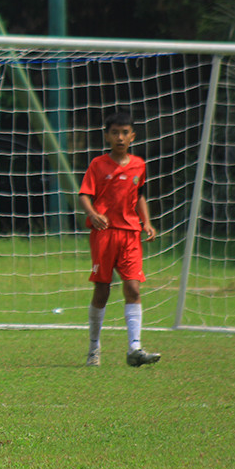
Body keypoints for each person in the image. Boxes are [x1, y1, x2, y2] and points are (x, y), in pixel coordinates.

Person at [79, 110, 160, 367]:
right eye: (115, 133)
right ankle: (94, 347)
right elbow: (84, 195)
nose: (120, 137)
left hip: (130, 234)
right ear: (107, 136)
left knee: (133, 288)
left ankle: (134, 348)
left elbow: (140, 195)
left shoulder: (139, 165)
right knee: (102, 290)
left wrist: (146, 222)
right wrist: (93, 214)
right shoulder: (98, 164)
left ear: (133, 136)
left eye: (125, 133)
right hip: (104, 234)